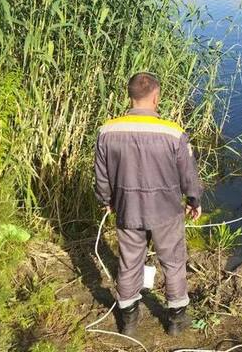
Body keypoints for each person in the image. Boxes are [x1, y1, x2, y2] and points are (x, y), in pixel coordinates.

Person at [94, 72, 203, 337]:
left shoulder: (107, 131)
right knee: (173, 262)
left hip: (127, 208)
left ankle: (129, 319)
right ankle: (176, 321)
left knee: (129, 262)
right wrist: (194, 200)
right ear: (156, 97)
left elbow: (101, 175)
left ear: (130, 96)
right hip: (166, 211)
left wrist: (107, 201)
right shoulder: (173, 133)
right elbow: (188, 174)